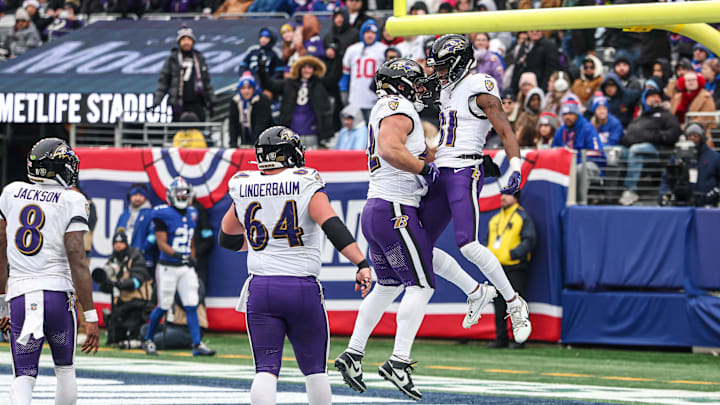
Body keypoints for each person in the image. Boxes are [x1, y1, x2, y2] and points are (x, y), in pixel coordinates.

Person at [334, 59, 497, 401]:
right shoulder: (399, 108)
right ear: (403, 84)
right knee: (420, 284)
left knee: (391, 283)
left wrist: (458, 156)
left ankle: (353, 353)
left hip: (377, 211)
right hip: (396, 211)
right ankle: (399, 361)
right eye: (416, 82)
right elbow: (391, 149)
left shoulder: (387, 108)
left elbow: (413, 150)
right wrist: (424, 169)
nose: (423, 87)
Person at [220, 126, 373, 405]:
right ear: (291, 154)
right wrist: (360, 262)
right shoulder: (304, 181)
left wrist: (259, 244)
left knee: (265, 370)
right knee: (315, 370)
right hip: (300, 287)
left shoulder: (244, 183)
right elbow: (332, 225)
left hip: (261, 287)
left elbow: (227, 237)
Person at [425, 34, 532, 345]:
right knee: (418, 245)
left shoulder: (479, 84)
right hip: (439, 169)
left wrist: (516, 164)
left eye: (444, 66)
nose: (439, 72)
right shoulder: (445, 91)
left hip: (464, 168)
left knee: (467, 244)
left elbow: (503, 126)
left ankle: (514, 303)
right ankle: (475, 292)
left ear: (459, 64)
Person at [0, 138, 99, 405]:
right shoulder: (71, 199)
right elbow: (77, 257)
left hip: (21, 294)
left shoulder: (11, 193)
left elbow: (0, 250)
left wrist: (2, 302)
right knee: (65, 370)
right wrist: (90, 314)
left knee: (24, 376)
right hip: (57, 298)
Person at [142, 177, 215, 356]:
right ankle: (148, 340)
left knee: (191, 303)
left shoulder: (193, 212)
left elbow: (190, 240)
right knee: (164, 305)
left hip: (185, 267)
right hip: (168, 266)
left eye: (185, 192)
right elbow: (162, 243)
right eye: (179, 193)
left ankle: (197, 345)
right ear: (171, 195)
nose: (182, 196)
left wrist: (192, 257)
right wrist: (180, 255)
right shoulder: (162, 213)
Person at [484, 192, 536, 349]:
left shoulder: (522, 217)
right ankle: (501, 338)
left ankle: (519, 339)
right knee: (498, 304)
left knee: (516, 303)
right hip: (496, 268)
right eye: (502, 195)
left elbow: (530, 240)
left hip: (515, 267)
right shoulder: (495, 219)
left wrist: (514, 254)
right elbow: (488, 240)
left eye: (508, 195)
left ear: (516, 198)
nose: (503, 198)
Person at [258, 55, 339, 148]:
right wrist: (262, 70)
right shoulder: (289, 83)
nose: (307, 70)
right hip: (291, 133)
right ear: (299, 69)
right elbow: (269, 85)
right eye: (304, 67)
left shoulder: (320, 84)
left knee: (312, 161)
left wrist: (337, 56)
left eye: (310, 67)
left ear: (314, 70)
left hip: (313, 133)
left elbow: (335, 77)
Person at [618, 88, 681, 206]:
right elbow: (628, 136)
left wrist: (654, 136)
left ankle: (631, 190)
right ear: (644, 100)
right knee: (618, 152)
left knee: (636, 150)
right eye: (651, 97)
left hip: (658, 151)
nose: (655, 99)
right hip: (637, 150)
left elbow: (674, 133)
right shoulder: (640, 118)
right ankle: (612, 191)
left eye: (658, 96)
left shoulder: (666, 115)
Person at [93, 231, 153, 347]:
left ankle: (136, 338)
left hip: (138, 303)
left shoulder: (135, 257)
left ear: (126, 243)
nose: (118, 245)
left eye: (121, 242)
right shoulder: (112, 260)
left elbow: (136, 282)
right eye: (115, 242)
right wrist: (106, 281)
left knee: (132, 332)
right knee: (113, 339)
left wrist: (118, 283)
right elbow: (103, 288)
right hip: (120, 304)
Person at [151, 26, 215, 122]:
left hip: (197, 102)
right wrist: (157, 102)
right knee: (179, 132)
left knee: (199, 132)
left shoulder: (199, 58)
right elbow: (163, 83)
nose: (186, 42)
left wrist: (212, 100)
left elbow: (206, 82)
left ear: (193, 41)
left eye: (189, 39)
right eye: (183, 39)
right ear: (179, 42)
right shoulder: (172, 59)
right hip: (179, 103)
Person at [659, 122, 720, 207]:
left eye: (695, 136)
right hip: (682, 203)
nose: (692, 138)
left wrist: (716, 192)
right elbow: (667, 178)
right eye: (690, 136)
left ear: (702, 137)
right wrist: (663, 194)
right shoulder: (678, 156)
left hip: (707, 204)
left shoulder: (714, 157)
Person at [342, 19, 387, 121]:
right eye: (367, 32)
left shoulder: (383, 49)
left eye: (373, 33)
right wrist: (343, 91)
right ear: (362, 33)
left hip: (374, 101)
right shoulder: (352, 50)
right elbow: (346, 74)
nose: (370, 35)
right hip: (355, 99)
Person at [115, 183, 155, 267]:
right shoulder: (124, 215)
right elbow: (117, 234)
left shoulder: (151, 214)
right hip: (123, 258)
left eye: (141, 195)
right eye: (135, 194)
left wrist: (142, 249)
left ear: (145, 196)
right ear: (130, 196)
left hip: (143, 259)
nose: (138, 198)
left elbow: (153, 236)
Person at [229, 72, 274, 147]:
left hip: (265, 141)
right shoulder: (235, 101)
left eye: (249, 88)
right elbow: (233, 124)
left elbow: (261, 124)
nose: (246, 91)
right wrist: (233, 144)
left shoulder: (262, 100)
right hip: (245, 141)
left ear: (253, 89)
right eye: (243, 88)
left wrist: (256, 144)